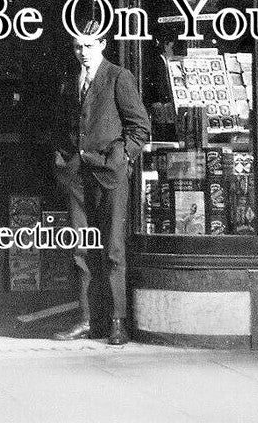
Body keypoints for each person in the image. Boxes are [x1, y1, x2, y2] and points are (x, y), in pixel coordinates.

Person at [51, 20, 151, 346]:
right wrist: (63, 161)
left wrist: (123, 159)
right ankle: (85, 320)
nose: (82, 52)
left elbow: (140, 128)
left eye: (89, 45)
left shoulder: (118, 77)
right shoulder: (70, 81)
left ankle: (117, 322)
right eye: (77, 46)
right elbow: (68, 126)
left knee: (113, 249)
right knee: (81, 249)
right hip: (78, 176)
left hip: (110, 176)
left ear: (103, 44)